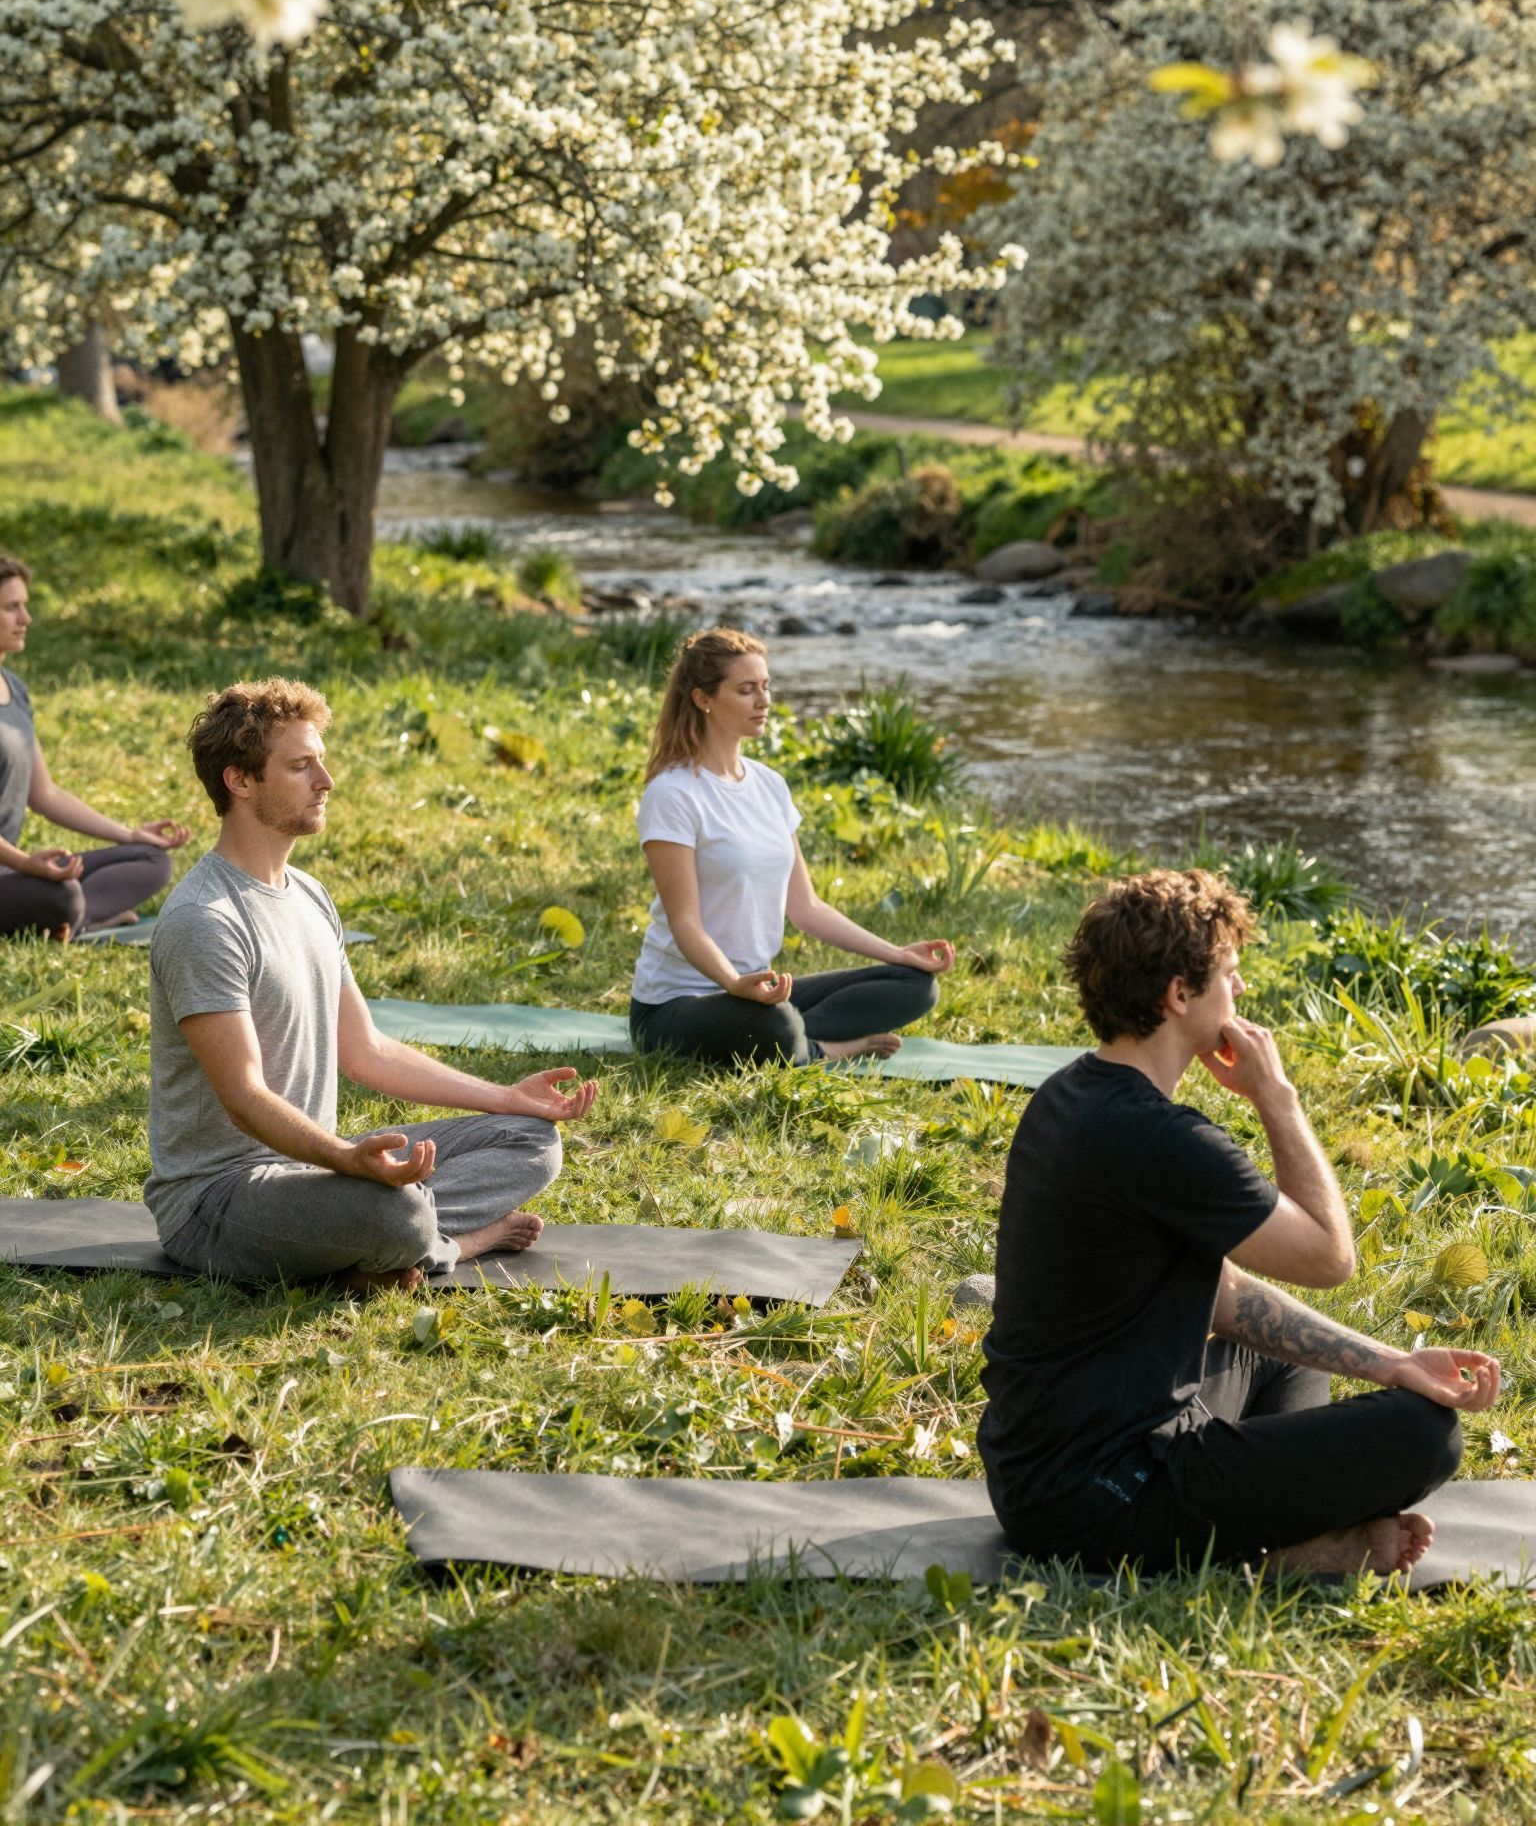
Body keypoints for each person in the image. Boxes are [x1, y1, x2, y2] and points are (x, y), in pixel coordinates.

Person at [979, 868, 1499, 1578]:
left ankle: (1284, 1538)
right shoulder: (1160, 1138)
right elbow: (1329, 1256)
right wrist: (1276, 1097)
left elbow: (1220, 1295)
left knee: (1284, 1351)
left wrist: (1392, 1362)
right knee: (1425, 1436)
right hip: (1100, 1503)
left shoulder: (1069, 1094)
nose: (1242, 991)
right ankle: (1278, 1552)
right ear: (1180, 994)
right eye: (1230, 972)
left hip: (1036, 1477)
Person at [147, 676, 597, 1293]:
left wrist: (506, 1097)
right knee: (396, 1210)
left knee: (530, 1140)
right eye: (302, 766)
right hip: (220, 1199)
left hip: (315, 1170)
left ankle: (388, 1252)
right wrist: (343, 1160)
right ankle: (453, 1243)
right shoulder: (205, 920)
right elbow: (244, 1098)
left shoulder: (308, 895)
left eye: (321, 763)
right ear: (240, 779)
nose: (325, 782)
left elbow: (368, 1052)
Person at [629, 627, 954, 1068]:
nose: (763, 701)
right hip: (677, 1004)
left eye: (765, 687)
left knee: (915, 985)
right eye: (745, 690)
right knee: (776, 1025)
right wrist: (732, 981)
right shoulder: (673, 794)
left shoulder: (770, 786)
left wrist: (898, 953)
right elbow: (686, 924)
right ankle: (824, 1049)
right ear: (704, 698)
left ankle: (797, 1039)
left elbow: (807, 908)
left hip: (758, 992)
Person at [0, 552, 188, 938]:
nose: (26, 619)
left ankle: (73, 919)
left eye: (25, 606)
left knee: (152, 859)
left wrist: (129, 834)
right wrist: (27, 864)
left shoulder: (14, 690)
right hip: (14, 869)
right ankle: (82, 916)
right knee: (64, 893)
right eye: (11, 607)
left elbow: (46, 794)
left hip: (15, 872)